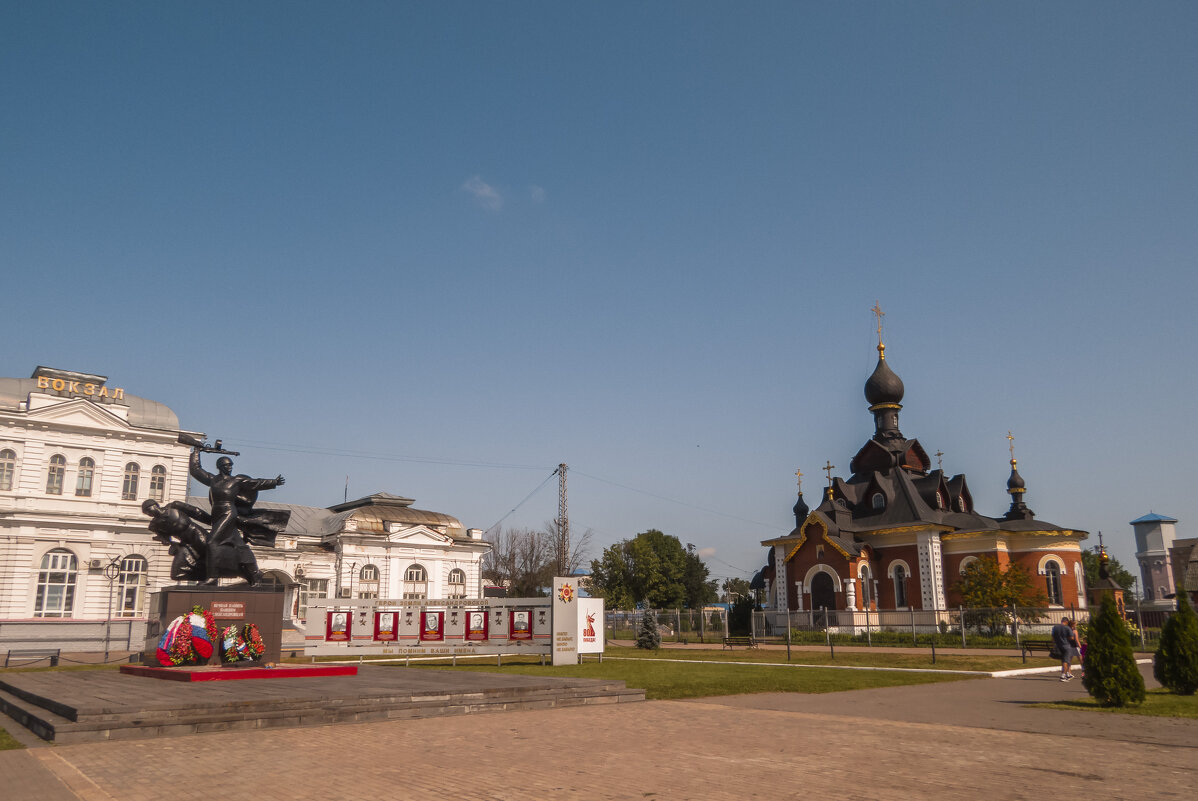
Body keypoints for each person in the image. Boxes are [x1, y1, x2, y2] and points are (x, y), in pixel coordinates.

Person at [190, 446, 284, 586]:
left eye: (231, 465)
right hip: (217, 514)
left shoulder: (236, 480)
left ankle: (213, 576)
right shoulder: (213, 480)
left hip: (229, 513)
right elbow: (195, 470)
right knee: (239, 545)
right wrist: (197, 452)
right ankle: (255, 573)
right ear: (220, 467)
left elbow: (255, 483)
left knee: (211, 542)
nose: (230, 467)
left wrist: (274, 482)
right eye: (227, 465)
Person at [142, 499, 211, 582]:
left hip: (198, 535)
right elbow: (165, 538)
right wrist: (166, 541)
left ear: (155, 505)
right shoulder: (154, 525)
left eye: (148, 509)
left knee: (209, 554)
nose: (148, 513)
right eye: (146, 512)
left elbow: (196, 512)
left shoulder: (175, 506)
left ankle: (210, 577)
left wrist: (213, 521)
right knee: (178, 573)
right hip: (185, 544)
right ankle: (203, 576)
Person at [1050, 617, 1077, 681]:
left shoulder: (1055, 627)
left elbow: (1053, 637)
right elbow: (1072, 638)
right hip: (1066, 646)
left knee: (1063, 660)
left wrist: (1053, 644)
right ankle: (1063, 675)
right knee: (1066, 661)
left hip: (1058, 646)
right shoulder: (1067, 628)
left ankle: (1067, 674)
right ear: (1066, 621)